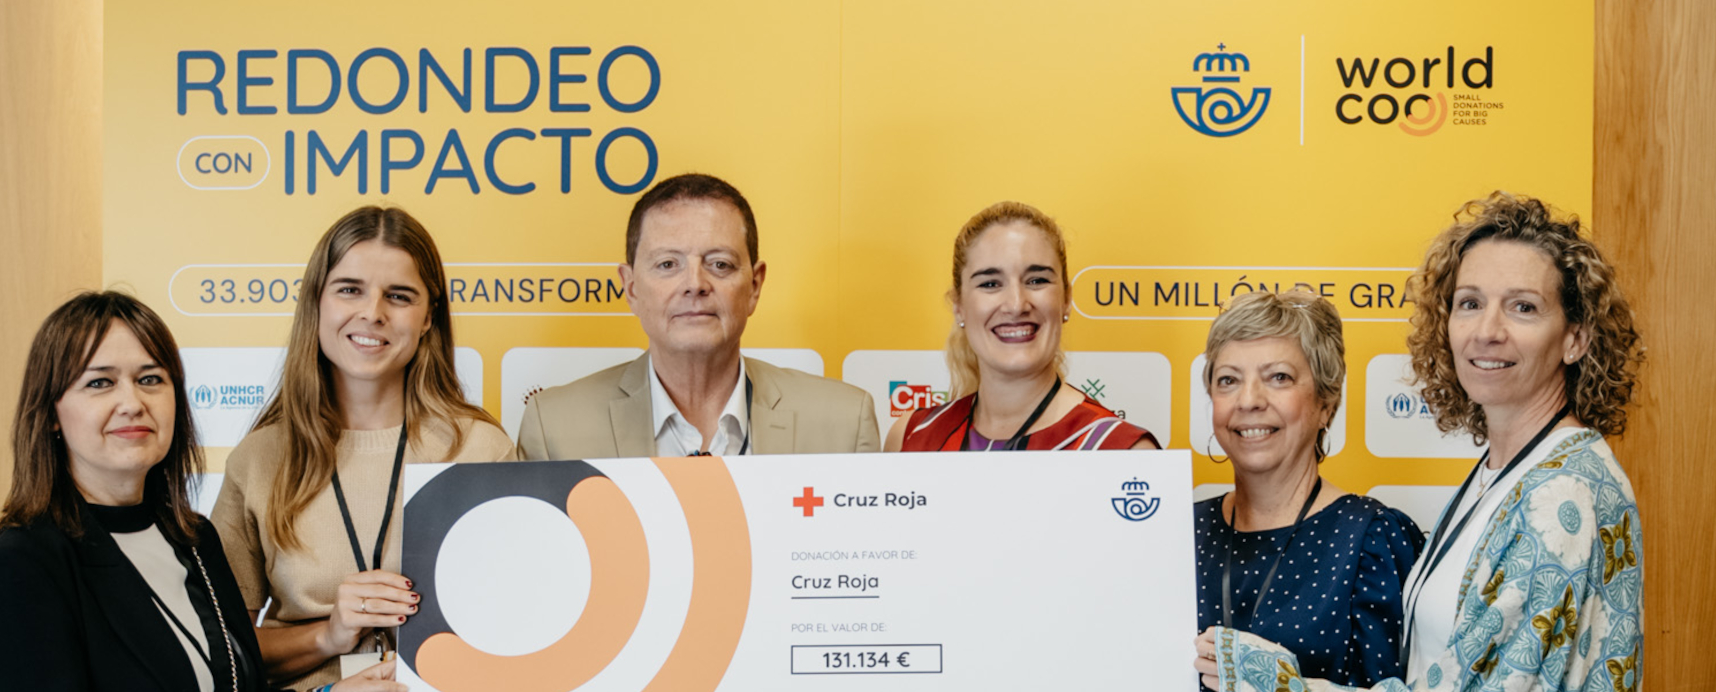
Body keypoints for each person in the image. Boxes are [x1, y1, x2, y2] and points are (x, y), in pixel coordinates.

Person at [1196, 192, 1645, 692]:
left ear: (1575, 338)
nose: (1488, 330)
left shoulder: (1563, 493)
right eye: (1470, 303)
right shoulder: (1506, 474)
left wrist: (1283, 686)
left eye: (1523, 307)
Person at [212, 206, 510, 690]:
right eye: (350, 289)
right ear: (317, 302)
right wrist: (329, 636)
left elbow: (522, 625)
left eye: (399, 295)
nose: (373, 312)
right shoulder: (259, 459)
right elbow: (222, 654)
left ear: (429, 317)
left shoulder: (482, 450)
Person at [0, 292, 303, 690]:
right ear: (51, 413)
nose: (132, 402)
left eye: (150, 379)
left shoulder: (197, 541)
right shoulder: (16, 570)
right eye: (100, 382)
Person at [517, 173, 879, 459]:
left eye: (719, 264)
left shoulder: (844, 424)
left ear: (754, 286)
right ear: (631, 288)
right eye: (667, 264)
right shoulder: (555, 429)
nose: (695, 284)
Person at [1192, 289, 1424, 689]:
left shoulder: (1372, 539)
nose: (1249, 400)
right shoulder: (1180, 530)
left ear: (1326, 403)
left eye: (1278, 377)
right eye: (1228, 380)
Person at [887, 201, 1158, 451]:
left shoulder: (1121, 450)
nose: (1016, 304)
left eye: (1037, 280)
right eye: (990, 284)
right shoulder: (910, 438)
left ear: (1066, 300)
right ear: (959, 306)